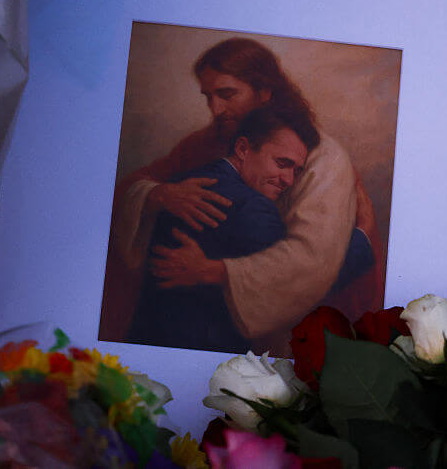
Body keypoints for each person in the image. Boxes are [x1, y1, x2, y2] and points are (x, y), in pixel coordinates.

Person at [100, 38, 383, 345]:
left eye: (226, 94)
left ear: (264, 92)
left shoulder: (323, 158)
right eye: (209, 97)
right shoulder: (207, 148)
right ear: (243, 149)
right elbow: (112, 199)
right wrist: (159, 195)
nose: (215, 109)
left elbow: (308, 267)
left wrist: (215, 270)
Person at [126, 105, 317, 352]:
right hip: (208, 355)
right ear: (243, 149)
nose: (289, 180)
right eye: (282, 164)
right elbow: (296, 283)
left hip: (143, 344)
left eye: (296, 170)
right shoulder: (253, 208)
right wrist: (358, 240)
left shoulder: (178, 184)